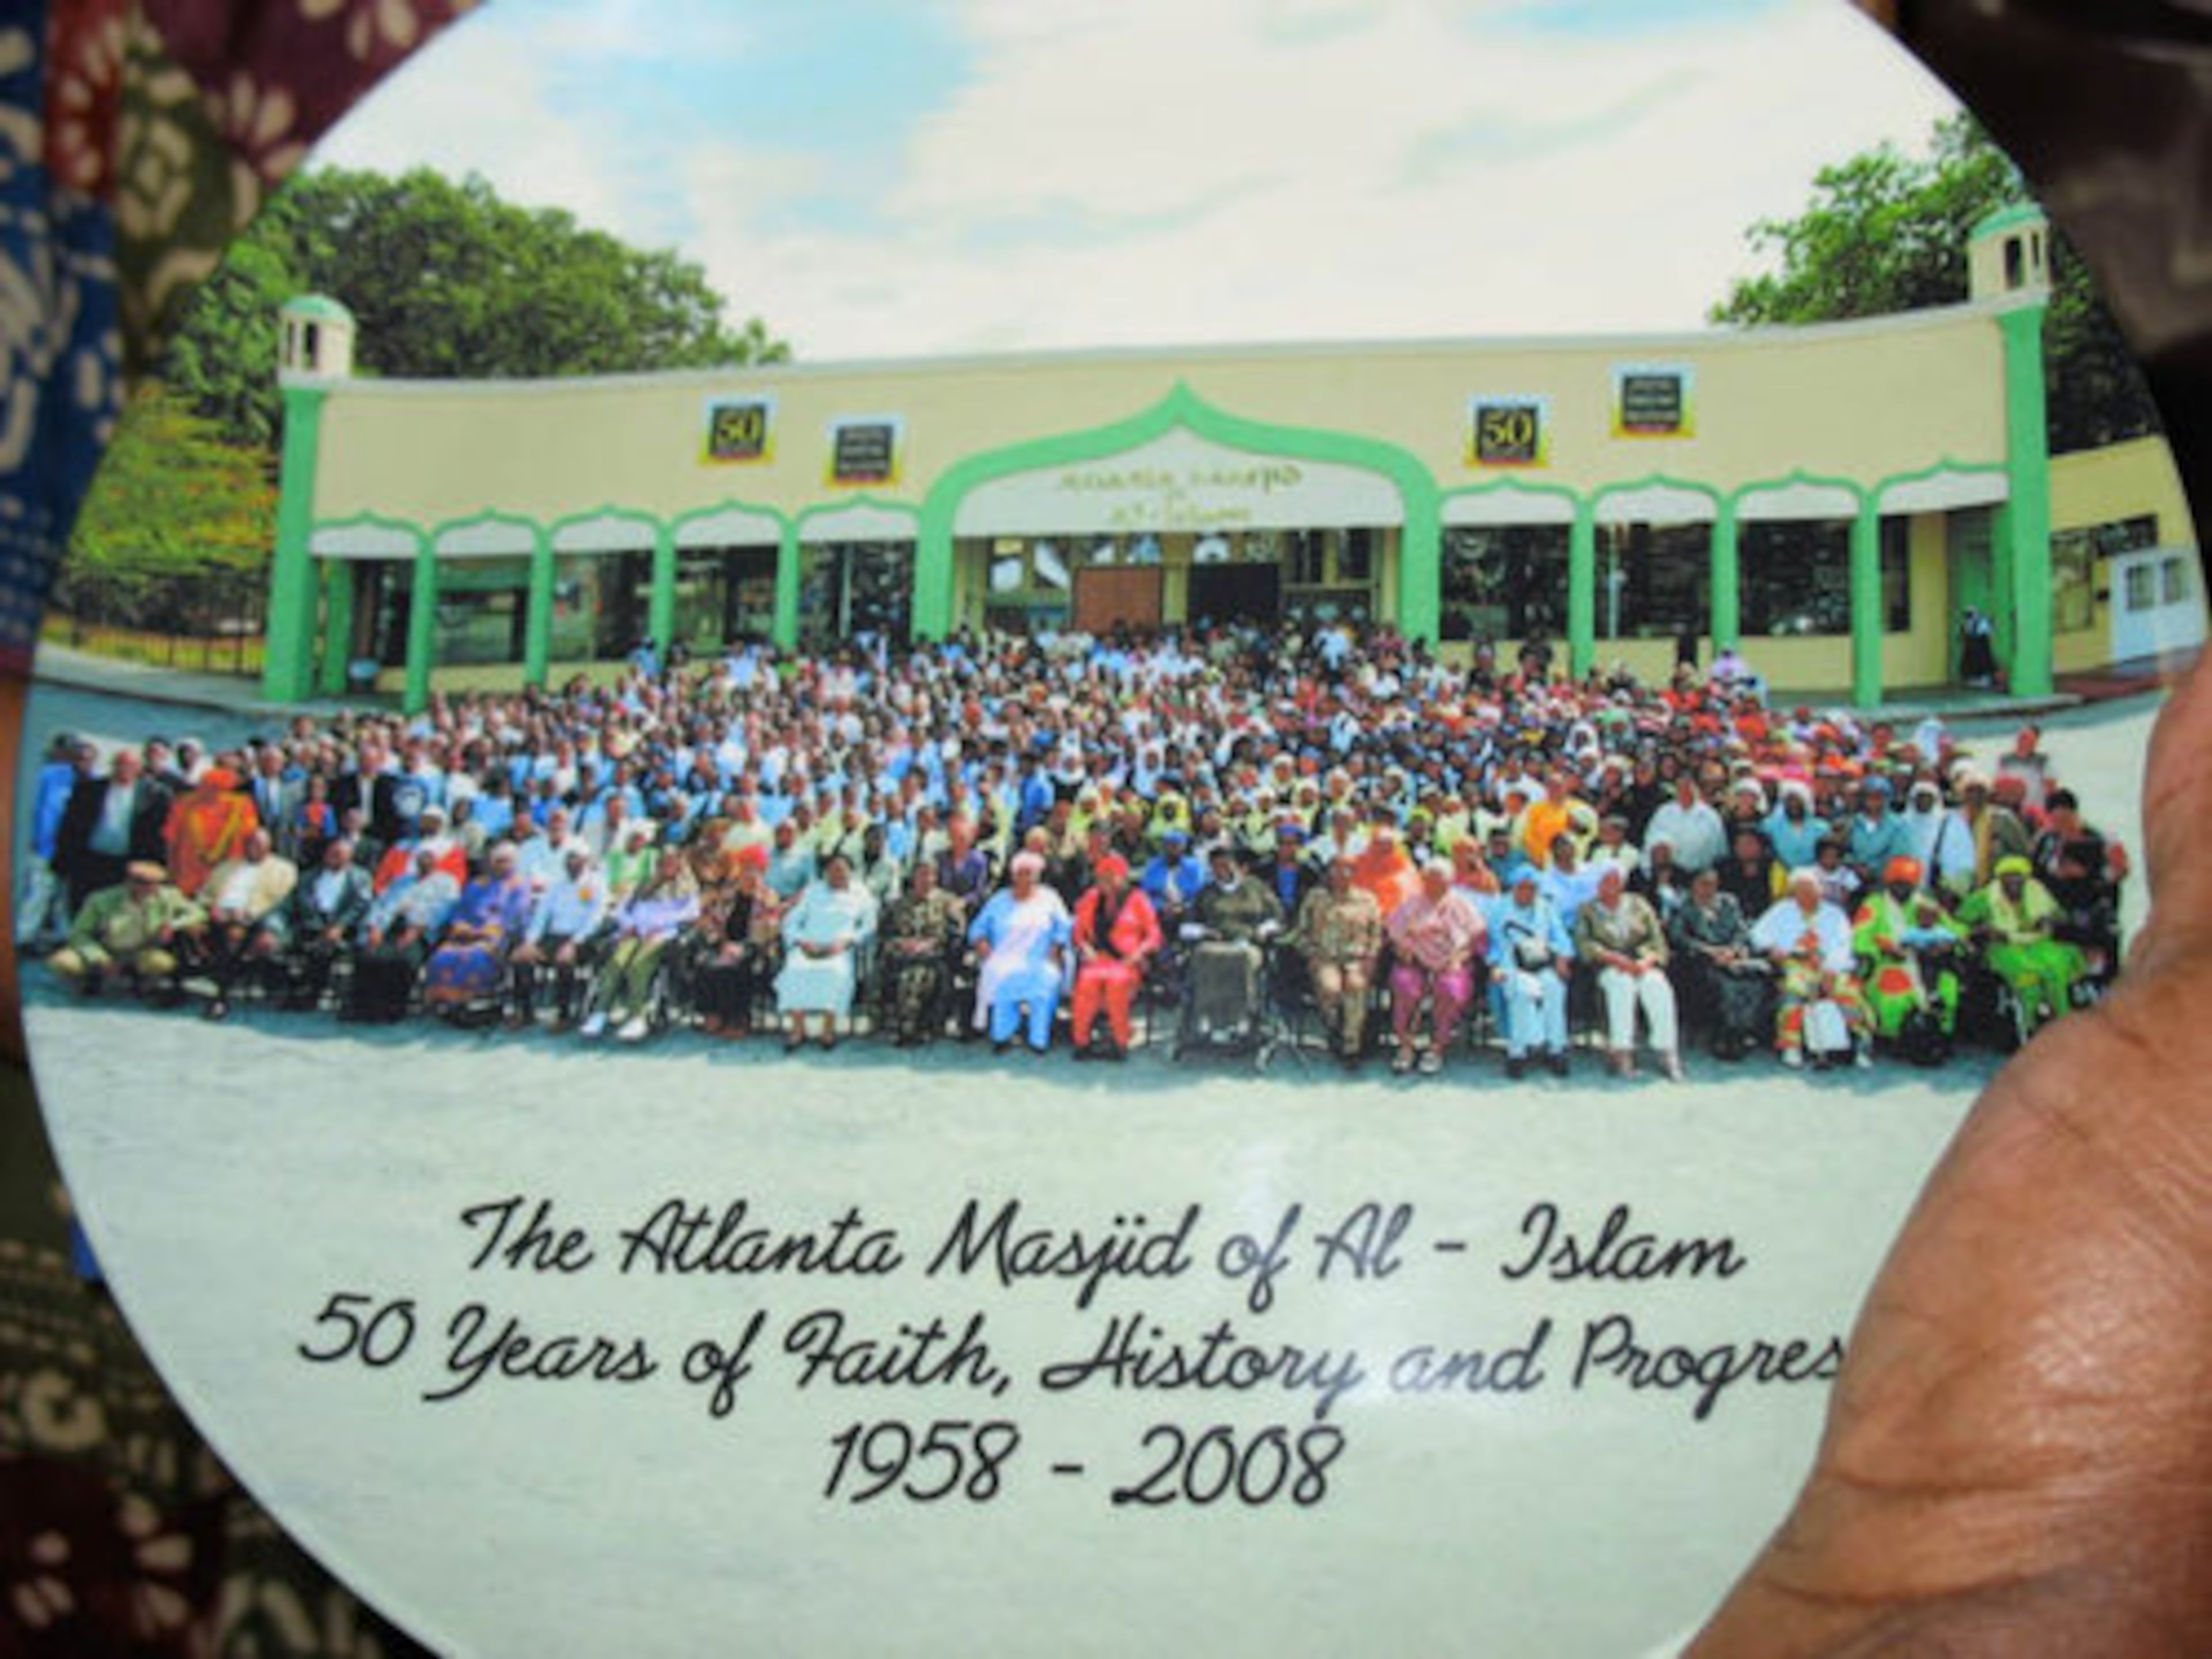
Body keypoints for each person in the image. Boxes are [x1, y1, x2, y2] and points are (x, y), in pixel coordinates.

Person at [1750, 867, 1873, 1068]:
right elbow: (1757, 935)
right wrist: (1773, 949)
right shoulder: (1782, 910)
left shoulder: (1835, 914)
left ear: (1821, 891)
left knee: (1848, 994)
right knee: (1794, 992)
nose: (1807, 896)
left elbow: (1844, 945)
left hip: (1830, 967)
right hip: (1796, 964)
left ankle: (1861, 1048)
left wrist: (1831, 971)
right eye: (1801, 891)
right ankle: (1792, 1046)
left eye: (1812, 890)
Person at [1957, 854, 2088, 1040]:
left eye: (2019, 877)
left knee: (2056, 968)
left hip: (2037, 943)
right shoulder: (1984, 898)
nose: (2014, 882)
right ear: (2000, 880)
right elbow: (1959, 923)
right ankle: (2031, 1025)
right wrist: (1983, 931)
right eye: (2008, 878)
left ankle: (2061, 1021)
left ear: (2027, 879)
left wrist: (2049, 919)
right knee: (2028, 979)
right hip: (2004, 948)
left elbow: (2061, 916)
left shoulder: (2038, 892)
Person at [1853, 854, 1967, 1057]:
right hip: (1888, 963)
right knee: (1895, 988)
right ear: (1888, 883)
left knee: (1947, 986)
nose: (1902, 890)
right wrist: (1885, 950)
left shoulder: (1924, 904)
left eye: (1907, 885)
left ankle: (1938, 1036)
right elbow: (1861, 937)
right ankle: (1896, 1038)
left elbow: (1954, 930)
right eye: (1897, 885)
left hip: (1927, 962)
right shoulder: (1874, 904)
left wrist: (1946, 945)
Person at [581, 848, 700, 1042]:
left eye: (671, 863)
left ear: (679, 865)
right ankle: (600, 1013)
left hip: (662, 935)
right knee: (616, 963)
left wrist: (659, 928)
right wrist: (630, 926)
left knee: (639, 965)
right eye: (663, 863)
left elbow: (691, 915)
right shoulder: (644, 886)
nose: (666, 867)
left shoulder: (687, 888)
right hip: (635, 933)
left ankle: (637, 1016)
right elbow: (622, 910)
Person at [1575, 865, 1683, 1080]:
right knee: (1621, 987)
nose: (1611, 886)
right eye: (1606, 881)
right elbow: (1585, 943)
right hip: (1610, 965)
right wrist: (1615, 959)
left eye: (1616, 880)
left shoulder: (1639, 904)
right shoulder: (1587, 910)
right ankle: (1622, 1051)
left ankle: (1666, 1050)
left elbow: (1658, 941)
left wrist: (1646, 962)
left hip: (1642, 962)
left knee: (1657, 986)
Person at [1383, 857, 1486, 1075]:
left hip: (1451, 962)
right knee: (1405, 986)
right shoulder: (1412, 902)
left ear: (1449, 882)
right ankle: (1406, 1045)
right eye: (1429, 880)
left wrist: (1459, 957)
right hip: (1416, 961)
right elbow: (1394, 933)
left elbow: (1477, 939)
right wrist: (1403, 950)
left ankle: (1437, 1046)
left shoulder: (1461, 904)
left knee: (1450, 989)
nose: (1434, 885)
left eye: (1439, 880)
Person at [47, 862, 205, 1001]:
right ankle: (89, 980)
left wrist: (173, 925)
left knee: (161, 963)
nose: (148, 889)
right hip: (105, 950)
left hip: (140, 951)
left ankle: (140, 981)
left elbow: (198, 912)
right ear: (129, 882)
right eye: (142, 883)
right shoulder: (100, 900)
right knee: (64, 962)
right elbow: (79, 934)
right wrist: (98, 957)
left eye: (154, 884)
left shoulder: (168, 897)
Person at [1183, 840, 1284, 1045]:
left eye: (1227, 864)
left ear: (1237, 865)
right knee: (1205, 956)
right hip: (1215, 943)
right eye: (1217, 866)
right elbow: (1186, 927)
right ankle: (1211, 1019)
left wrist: (1263, 931)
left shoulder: (1256, 887)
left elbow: (1278, 919)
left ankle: (1242, 1018)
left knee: (1241, 958)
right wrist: (1204, 931)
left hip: (1249, 944)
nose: (1223, 869)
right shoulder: (1206, 893)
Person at [968, 850, 1071, 1054]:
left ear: (1038, 876)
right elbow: (977, 928)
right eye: (1021, 873)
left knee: (1046, 980)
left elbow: (1064, 926)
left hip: (1040, 959)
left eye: (1030, 874)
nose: (1026, 879)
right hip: (1004, 957)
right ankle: (1003, 1036)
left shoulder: (1050, 898)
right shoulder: (999, 900)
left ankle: (1038, 1040)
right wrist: (982, 943)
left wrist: (1057, 947)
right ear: (1013, 875)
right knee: (1000, 976)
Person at [344, 845, 461, 1024]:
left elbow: (444, 911)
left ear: (437, 862)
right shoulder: (402, 881)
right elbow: (381, 904)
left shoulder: (447, 883)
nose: (425, 863)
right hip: (390, 927)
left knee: (403, 960)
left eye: (429, 859)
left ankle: (392, 1009)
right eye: (421, 860)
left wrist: (418, 929)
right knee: (368, 955)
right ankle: (363, 1008)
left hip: (421, 930)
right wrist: (375, 927)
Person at [258, 836, 376, 1012]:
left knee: (324, 947)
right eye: (330, 853)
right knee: (269, 944)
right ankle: (285, 990)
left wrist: (341, 925)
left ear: (349, 858)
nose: (332, 857)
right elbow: (286, 906)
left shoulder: (360, 878)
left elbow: (361, 906)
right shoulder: (309, 876)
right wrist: (271, 929)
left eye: (338, 855)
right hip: (308, 925)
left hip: (341, 929)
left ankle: (308, 994)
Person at [192, 827, 300, 1020]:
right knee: (193, 932)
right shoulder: (227, 866)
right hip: (219, 916)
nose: (253, 848)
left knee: (234, 937)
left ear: (269, 846)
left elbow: (283, 902)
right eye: (249, 844)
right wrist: (213, 908)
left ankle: (221, 996)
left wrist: (249, 913)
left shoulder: (284, 869)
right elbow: (204, 894)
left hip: (255, 918)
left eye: (259, 844)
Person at [1668, 865, 1772, 1061]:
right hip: (1700, 960)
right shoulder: (1683, 906)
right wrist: (1711, 952)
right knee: (1723, 982)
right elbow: (1678, 937)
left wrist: (1733, 950)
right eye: (1703, 884)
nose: (1708, 889)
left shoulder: (1729, 902)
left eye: (1713, 884)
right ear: (1693, 886)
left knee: (1756, 978)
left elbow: (1742, 930)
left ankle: (1743, 1029)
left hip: (1732, 956)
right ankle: (1726, 1033)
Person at [775, 851, 877, 1050]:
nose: (837, 874)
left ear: (851, 872)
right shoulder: (813, 891)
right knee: (795, 970)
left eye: (842, 870)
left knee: (835, 973)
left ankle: (828, 1029)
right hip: (809, 944)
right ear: (825, 872)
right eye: (832, 870)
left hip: (839, 947)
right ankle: (798, 1029)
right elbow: (791, 922)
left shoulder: (861, 893)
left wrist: (847, 941)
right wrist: (801, 941)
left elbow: (869, 925)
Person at [422, 842, 533, 1024]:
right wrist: (461, 926)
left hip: (497, 936)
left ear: (514, 863)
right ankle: (447, 1002)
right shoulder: (477, 884)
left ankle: (477, 1004)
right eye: (497, 861)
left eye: (506, 861)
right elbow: (461, 909)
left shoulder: (519, 886)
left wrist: (485, 932)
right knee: (442, 956)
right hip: (468, 933)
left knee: (474, 957)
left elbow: (516, 915)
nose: (501, 865)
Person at [1295, 853, 1385, 1069]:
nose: (1341, 874)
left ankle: (1351, 1045)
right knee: (1331, 988)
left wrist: (1372, 957)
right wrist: (1311, 954)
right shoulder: (1315, 899)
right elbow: (1300, 932)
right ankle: (1335, 1027)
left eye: (1347, 869)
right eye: (1335, 869)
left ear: (1355, 873)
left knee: (1356, 985)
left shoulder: (1367, 899)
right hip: (1325, 957)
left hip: (1357, 958)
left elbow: (1377, 934)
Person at [1069, 853, 1162, 1060]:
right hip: (1098, 959)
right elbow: (1078, 933)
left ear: (1123, 877)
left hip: (1127, 961)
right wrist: (1085, 948)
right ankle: (1081, 1041)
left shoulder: (1138, 899)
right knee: (1086, 983)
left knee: (1116, 984)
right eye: (1102, 877)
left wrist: (1139, 953)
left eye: (1112, 877)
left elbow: (1154, 934)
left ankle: (1120, 1041)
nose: (1107, 882)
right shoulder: (1091, 898)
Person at [508, 843, 611, 1031]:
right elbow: (541, 916)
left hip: (583, 939)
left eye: (577, 859)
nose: (572, 863)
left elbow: (595, 919)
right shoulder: (556, 886)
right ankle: (525, 1013)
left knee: (564, 962)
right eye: (569, 859)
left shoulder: (597, 884)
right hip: (554, 936)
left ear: (586, 862)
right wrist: (530, 942)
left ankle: (565, 1015)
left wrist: (573, 943)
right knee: (521, 958)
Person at [1488, 866, 1575, 1079]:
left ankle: (1556, 1049)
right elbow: (1495, 943)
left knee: (1554, 988)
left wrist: (1564, 957)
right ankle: (1518, 1052)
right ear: (1514, 888)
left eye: (1532, 888)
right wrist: (1495, 965)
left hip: (1544, 962)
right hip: (1512, 964)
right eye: (1522, 888)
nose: (1527, 893)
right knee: (1522, 991)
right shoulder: (1500, 908)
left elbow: (1560, 937)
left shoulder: (1546, 908)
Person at [689, 844, 782, 1040]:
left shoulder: (768, 896)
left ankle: (738, 1018)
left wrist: (743, 947)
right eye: (746, 869)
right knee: (704, 960)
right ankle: (713, 1012)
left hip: (755, 948)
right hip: (724, 944)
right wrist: (721, 943)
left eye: (754, 870)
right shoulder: (727, 894)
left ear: (762, 872)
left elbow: (770, 929)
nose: (750, 875)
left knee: (736, 967)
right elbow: (712, 920)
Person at [873, 858, 967, 1048]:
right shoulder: (898, 904)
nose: (927, 879)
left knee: (917, 975)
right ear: (913, 877)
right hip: (901, 953)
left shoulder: (948, 902)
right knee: (889, 970)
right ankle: (893, 1024)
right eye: (922, 875)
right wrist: (901, 943)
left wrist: (931, 943)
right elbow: (884, 932)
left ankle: (914, 1028)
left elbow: (957, 932)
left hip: (933, 954)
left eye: (931, 875)